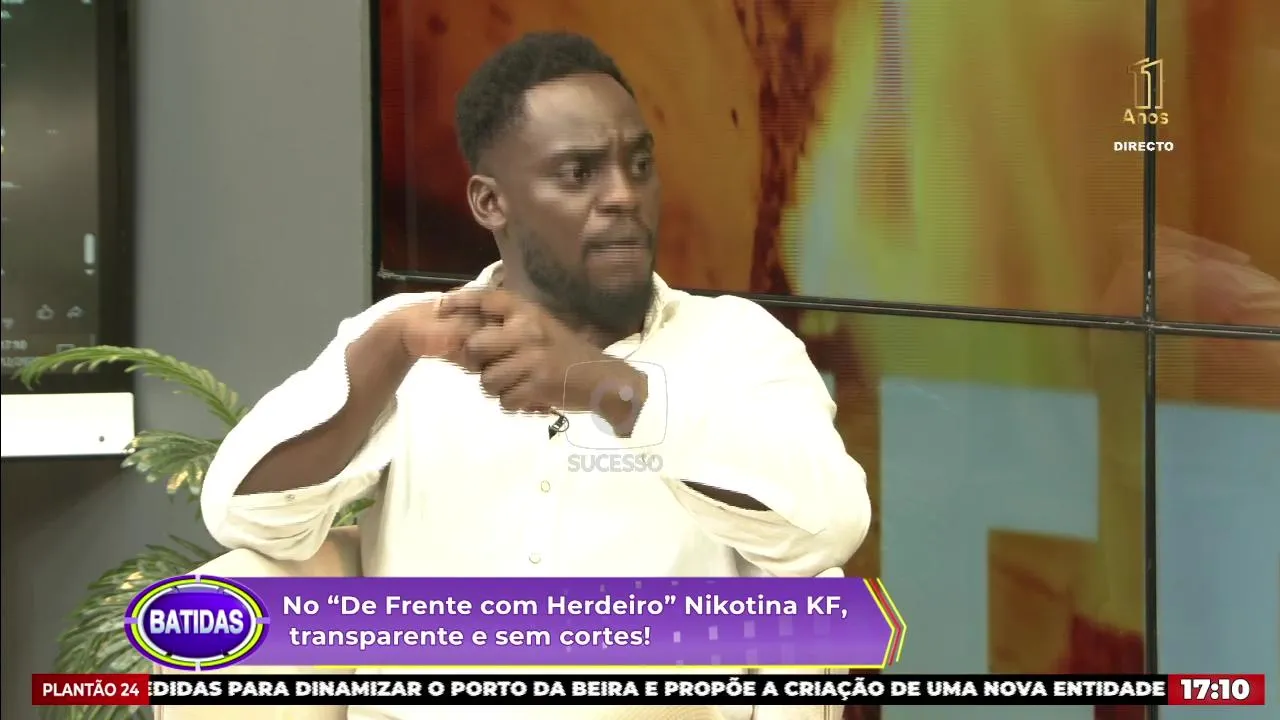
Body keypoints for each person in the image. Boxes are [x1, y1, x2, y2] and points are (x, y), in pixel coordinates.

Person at [202, 32, 871, 720]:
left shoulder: (735, 343)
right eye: (579, 173)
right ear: (491, 203)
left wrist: (608, 388)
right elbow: (242, 514)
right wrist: (387, 351)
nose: (624, 196)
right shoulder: (411, 341)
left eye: (640, 165)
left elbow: (828, 529)